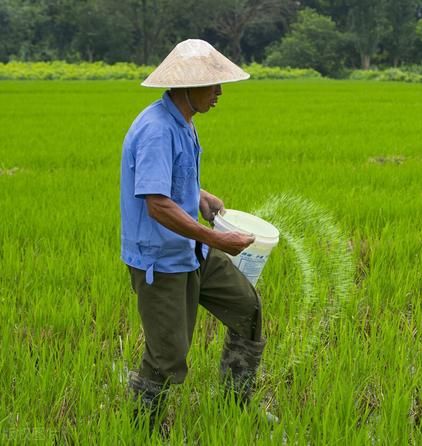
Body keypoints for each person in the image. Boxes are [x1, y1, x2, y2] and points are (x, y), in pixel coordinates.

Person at [120, 39, 269, 432]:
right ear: (187, 86)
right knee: (167, 357)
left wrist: (199, 195)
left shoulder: (182, 121)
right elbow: (156, 204)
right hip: (162, 260)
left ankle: (235, 408)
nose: (220, 93)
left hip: (192, 250)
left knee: (247, 310)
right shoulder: (155, 129)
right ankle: (142, 431)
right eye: (213, 85)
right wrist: (218, 240)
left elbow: (169, 184)